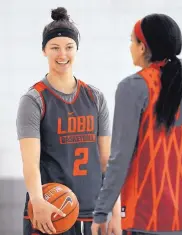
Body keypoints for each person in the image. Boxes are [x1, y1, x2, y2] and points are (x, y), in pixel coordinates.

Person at [91, 13, 182, 235]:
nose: (130, 47)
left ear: (143, 47)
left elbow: (120, 158)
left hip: (144, 220)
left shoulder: (133, 87)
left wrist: (101, 212)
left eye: (132, 41)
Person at [16, 7, 121, 235]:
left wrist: (116, 210)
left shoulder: (95, 97)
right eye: (54, 47)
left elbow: (107, 161)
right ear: (44, 50)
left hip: (92, 214)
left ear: (76, 50)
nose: (62, 54)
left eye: (69, 47)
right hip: (50, 212)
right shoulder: (34, 100)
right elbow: (30, 162)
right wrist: (36, 200)